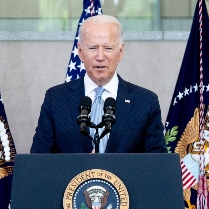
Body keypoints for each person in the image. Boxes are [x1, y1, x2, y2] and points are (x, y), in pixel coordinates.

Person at [30, 15, 167, 154]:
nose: (100, 57)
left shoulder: (145, 102)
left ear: (120, 52)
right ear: (80, 51)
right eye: (93, 48)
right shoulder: (56, 99)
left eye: (108, 48)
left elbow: (158, 165)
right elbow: (38, 161)